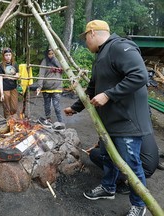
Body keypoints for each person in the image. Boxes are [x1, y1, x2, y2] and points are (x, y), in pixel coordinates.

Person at [64, 20, 152, 216]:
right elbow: (92, 89)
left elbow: (140, 76)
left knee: (131, 165)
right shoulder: (101, 56)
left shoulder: (120, 46)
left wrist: (109, 95)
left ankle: (139, 204)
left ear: (93, 33)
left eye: (85, 37)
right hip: (109, 124)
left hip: (127, 123)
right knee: (108, 158)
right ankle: (108, 187)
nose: (85, 42)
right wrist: (75, 108)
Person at [89, 133, 159, 194]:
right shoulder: (137, 124)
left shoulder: (119, 127)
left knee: (94, 153)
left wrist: (100, 146)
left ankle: (125, 182)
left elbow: (110, 145)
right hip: (151, 164)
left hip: (141, 168)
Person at [36, 48, 63, 126]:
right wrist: (39, 86)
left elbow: (63, 69)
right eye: (49, 54)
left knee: (56, 106)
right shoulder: (44, 62)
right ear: (46, 54)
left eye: (52, 53)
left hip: (57, 87)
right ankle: (48, 119)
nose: (51, 55)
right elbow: (41, 74)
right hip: (46, 88)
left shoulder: (59, 61)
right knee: (47, 105)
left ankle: (61, 122)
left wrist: (54, 59)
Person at [0, 47, 19, 119]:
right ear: (3, 56)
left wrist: (7, 77)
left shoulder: (14, 64)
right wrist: (2, 93)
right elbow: (0, 79)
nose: (8, 57)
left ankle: (14, 120)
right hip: (5, 88)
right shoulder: (0, 66)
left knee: (14, 108)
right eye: (6, 55)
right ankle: (8, 123)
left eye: (9, 55)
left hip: (13, 88)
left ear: (11, 55)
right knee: (7, 108)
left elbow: (17, 76)